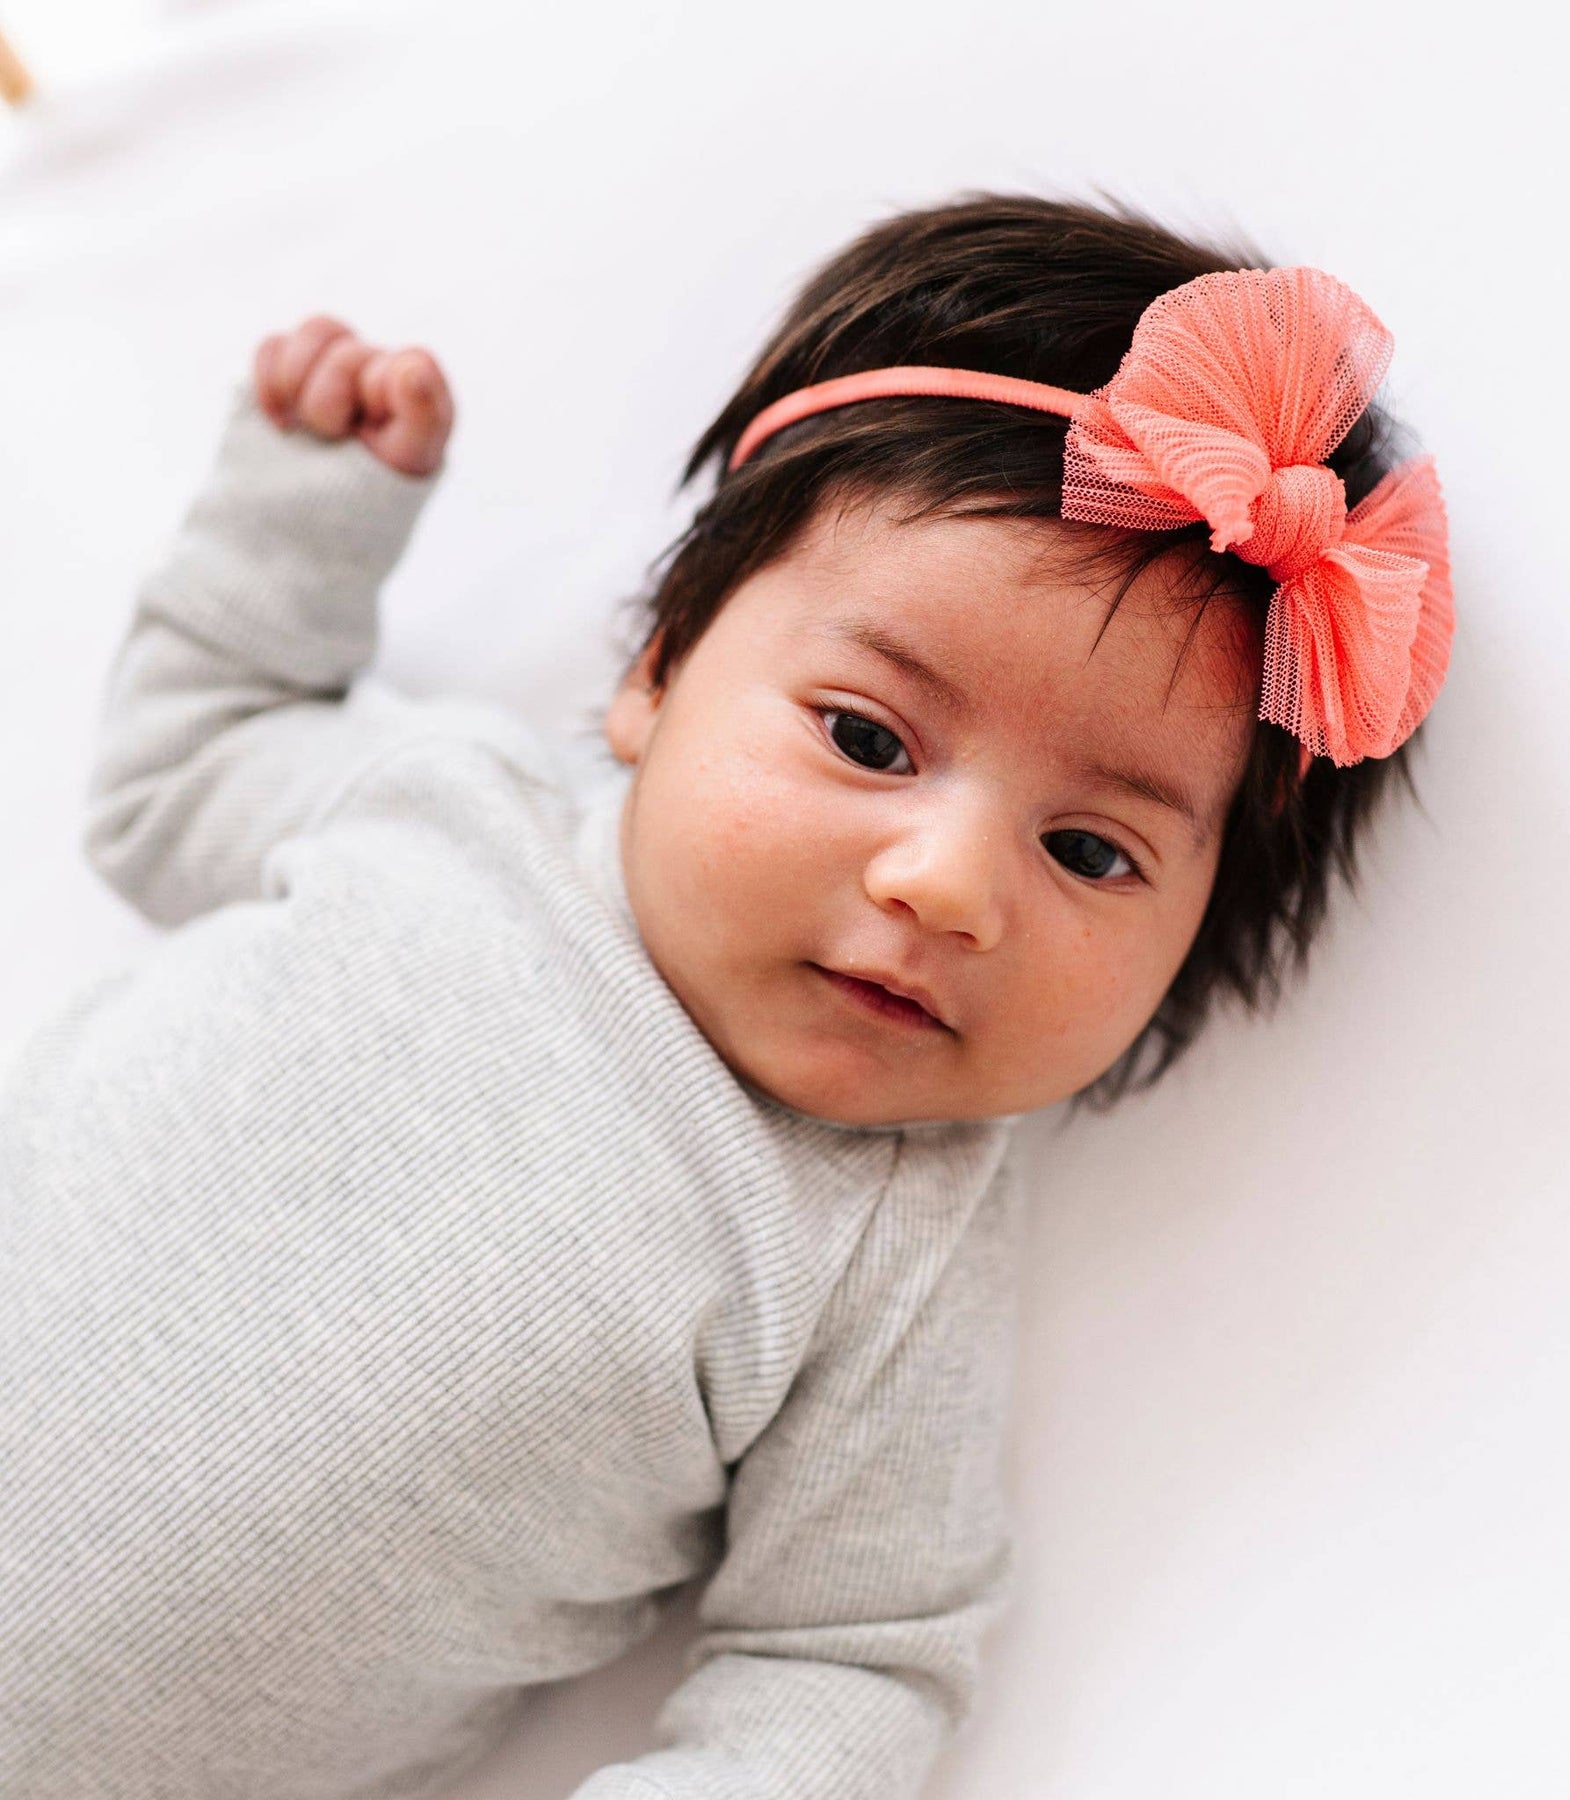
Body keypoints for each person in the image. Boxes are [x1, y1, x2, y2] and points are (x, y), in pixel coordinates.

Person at [0, 192, 1453, 1799]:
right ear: (660, 669)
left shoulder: (883, 1247)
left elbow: (851, 1655)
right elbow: (172, 776)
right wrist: (304, 515)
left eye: (1092, 853)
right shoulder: (449, 807)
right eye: (869, 739)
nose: (947, 886)